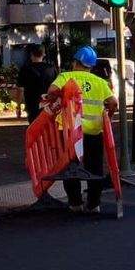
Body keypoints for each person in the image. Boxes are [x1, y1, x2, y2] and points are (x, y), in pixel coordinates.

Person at [44, 46, 116, 212]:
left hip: (69, 132)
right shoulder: (100, 82)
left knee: (70, 167)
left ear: (75, 62)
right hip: (94, 131)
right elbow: (113, 102)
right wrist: (108, 118)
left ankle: (75, 203)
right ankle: (93, 204)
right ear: (91, 66)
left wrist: (58, 100)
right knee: (95, 168)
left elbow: (52, 91)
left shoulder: (66, 77)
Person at [15, 44, 53, 120]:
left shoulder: (25, 70)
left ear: (31, 54)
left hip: (32, 106)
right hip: (48, 105)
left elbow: (20, 89)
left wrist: (18, 106)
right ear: (44, 54)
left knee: (33, 129)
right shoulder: (51, 69)